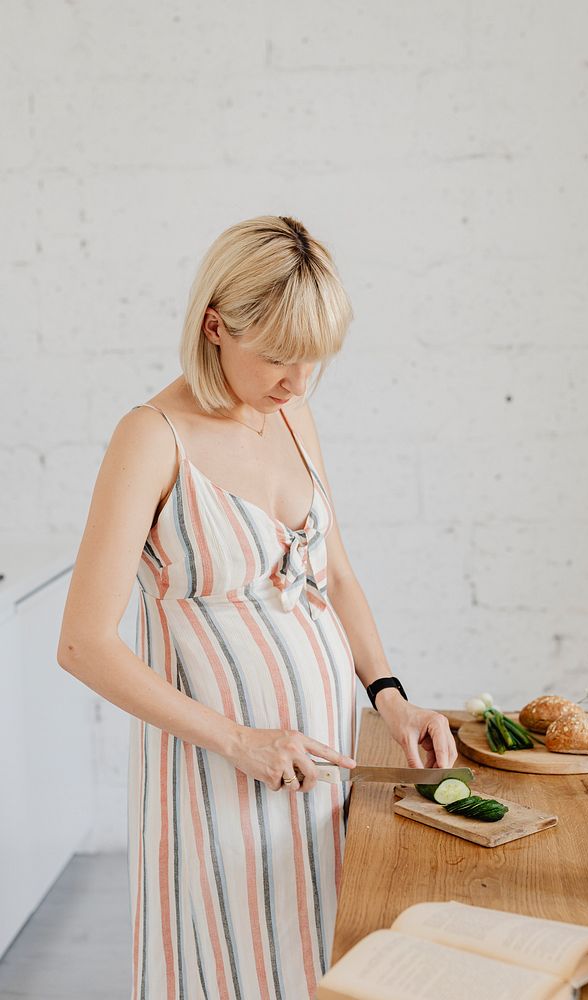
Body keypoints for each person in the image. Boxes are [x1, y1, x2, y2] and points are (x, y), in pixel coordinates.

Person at [57, 214, 456, 999]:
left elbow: (335, 576)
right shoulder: (150, 437)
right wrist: (240, 741)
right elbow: (82, 643)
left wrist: (390, 698)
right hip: (217, 773)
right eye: (277, 354)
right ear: (214, 326)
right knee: (232, 971)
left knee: (324, 966)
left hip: (315, 761)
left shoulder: (293, 417)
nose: (297, 380)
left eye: (314, 358)